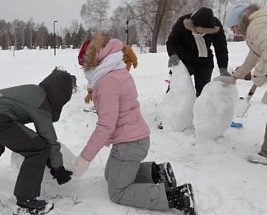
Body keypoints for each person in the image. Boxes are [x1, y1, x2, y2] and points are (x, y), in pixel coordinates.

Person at [73, 33, 197, 215]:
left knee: (117, 191)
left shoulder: (107, 83)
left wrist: (85, 158)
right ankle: (158, 173)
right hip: (135, 139)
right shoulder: (117, 71)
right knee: (110, 175)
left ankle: (176, 197)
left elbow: (106, 125)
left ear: (92, 63)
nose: (85, 72)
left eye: (85, 67)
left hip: (129, 145)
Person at [0, 68, 74, 214]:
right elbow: (48, 137)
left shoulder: (35, 90)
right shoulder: (42, 102)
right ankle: (25, 203)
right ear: (60, 96)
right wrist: (58, 168)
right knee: (38, 149)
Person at [218, 3, 267, 166]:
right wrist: (235, 76)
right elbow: (254, 56)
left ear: (239, 22)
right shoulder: (260, 23)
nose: (233, 31)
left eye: (233, 27)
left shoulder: (255, 26)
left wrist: (259, 74)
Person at [166, 7, 230, 97]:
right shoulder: (182, 23)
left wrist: (223, 67)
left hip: (204, 60)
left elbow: (221, 48)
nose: (201, 34)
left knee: (203, 92)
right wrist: (173, 55)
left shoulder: (216, 26)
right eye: (199, 31)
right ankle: (169, 108)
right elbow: (172, 41)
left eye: (204, 33)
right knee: (177, 87)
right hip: (184, 59)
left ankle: (199, 109)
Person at [78, 38, 139, 104]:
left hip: (124, 64)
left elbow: (130, 53)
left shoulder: (119, 50)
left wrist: (135, 62)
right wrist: (90, 92)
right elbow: (94, 78)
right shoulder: (99, 63)